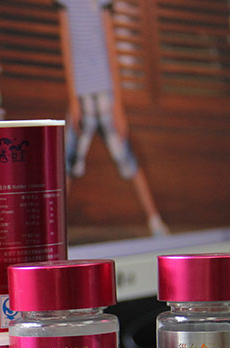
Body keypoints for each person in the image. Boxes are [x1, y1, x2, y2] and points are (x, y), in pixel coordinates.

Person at [57, 0, 169, 235]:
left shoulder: (101, 3)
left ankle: (155, 221)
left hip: (106, 96)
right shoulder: (66, 4)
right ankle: (54, 229)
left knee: (128, 158)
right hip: (82, 96)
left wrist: (117, 103)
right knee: (66, 163)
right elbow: (66, 46)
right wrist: (73, 99)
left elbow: (110, 45)